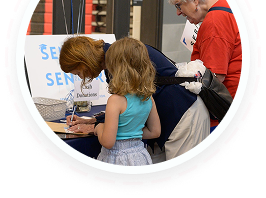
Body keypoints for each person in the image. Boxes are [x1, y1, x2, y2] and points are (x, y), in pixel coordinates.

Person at [60, 36, 210, 163]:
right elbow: (130, 104)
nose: (81, 77)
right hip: (166, 121)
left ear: (84, 61)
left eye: (78, 72)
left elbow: (124, 105)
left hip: (183, 116)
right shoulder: (118, 57)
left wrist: (97, 127)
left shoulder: (119, 60)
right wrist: (94, 120)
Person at [168, 0, 242, 99]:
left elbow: (214, 78)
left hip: (226, 104)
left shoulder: (215, 21)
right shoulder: (228, 6)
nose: (178, 12)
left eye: (179, 5)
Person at [93, 37, 160, 165]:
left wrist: (99, 127)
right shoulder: (148, 96)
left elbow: (108, 142)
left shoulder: (115, 100)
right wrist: (131, 135)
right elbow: (155, 132)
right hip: (140, 156)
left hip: (116, 159)